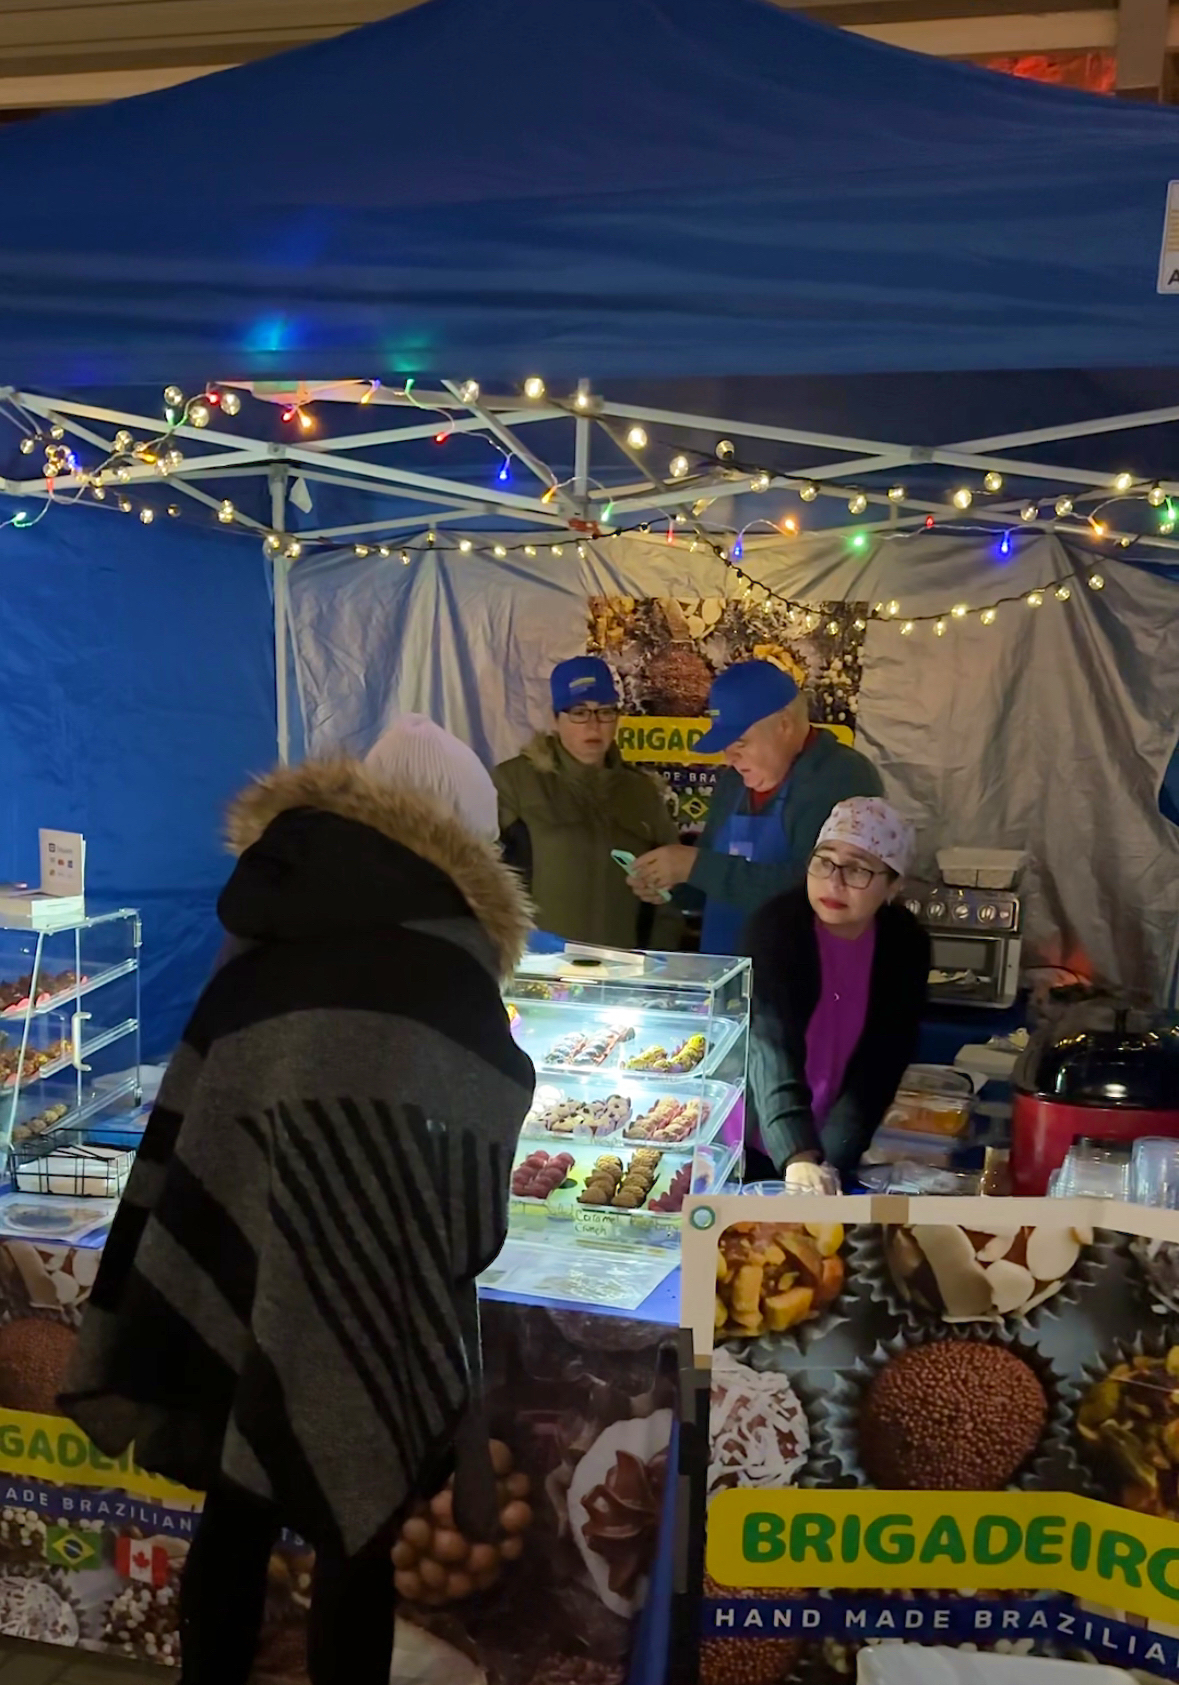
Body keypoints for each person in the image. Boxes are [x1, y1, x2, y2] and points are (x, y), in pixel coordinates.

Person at [60, 717, 535, 1685]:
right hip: (378, 1301)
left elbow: (205, 1099)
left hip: (245, 1275)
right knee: (354, 1547)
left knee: (234, 1518)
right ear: (462, 838)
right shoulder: (449, 960)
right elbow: (475, 1197)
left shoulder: (274, 918)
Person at [629, 659, 882, 954]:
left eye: (741, 743)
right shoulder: (733, 783)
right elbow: (710, 883)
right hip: (724, 979)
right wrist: (670, 886)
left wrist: (696, 867)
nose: (730, 758)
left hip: (800, 988)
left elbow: (817, 891)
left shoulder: (843, 778)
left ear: (784, 725)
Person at [744, 796, 929, 1188]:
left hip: (833, 1135)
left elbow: (881, 1063)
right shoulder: (777, 929)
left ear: (893, 885)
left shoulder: (904, 944)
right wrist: (797, 1154)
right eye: (824, 861)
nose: (834, 881)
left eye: (858, 869)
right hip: (757, 1132)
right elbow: (770, 1048)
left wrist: (834, 1159)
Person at [493, 655, 682, 948]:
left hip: (621, 974)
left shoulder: (643, 793)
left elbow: (670, 900)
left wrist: (658, 965)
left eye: (604, 712)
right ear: (556, 719)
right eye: (579, 712)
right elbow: (481, 884)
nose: (593, 726)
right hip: (540, 972)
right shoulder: (514, 783)